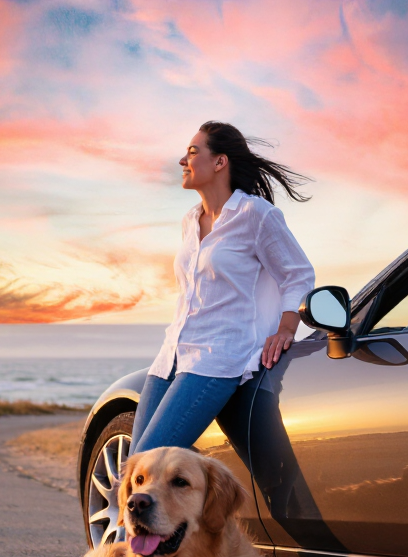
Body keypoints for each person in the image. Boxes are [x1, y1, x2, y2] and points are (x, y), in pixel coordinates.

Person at [130, 121, 315, 454]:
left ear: (220, 162)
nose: (182, 161)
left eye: (192, 152)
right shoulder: (190, 220)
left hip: (217, 357)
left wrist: (286, 329)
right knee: (135, 469)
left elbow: (297, 274)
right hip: (171, 354)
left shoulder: (255, 214)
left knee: (150, 462)